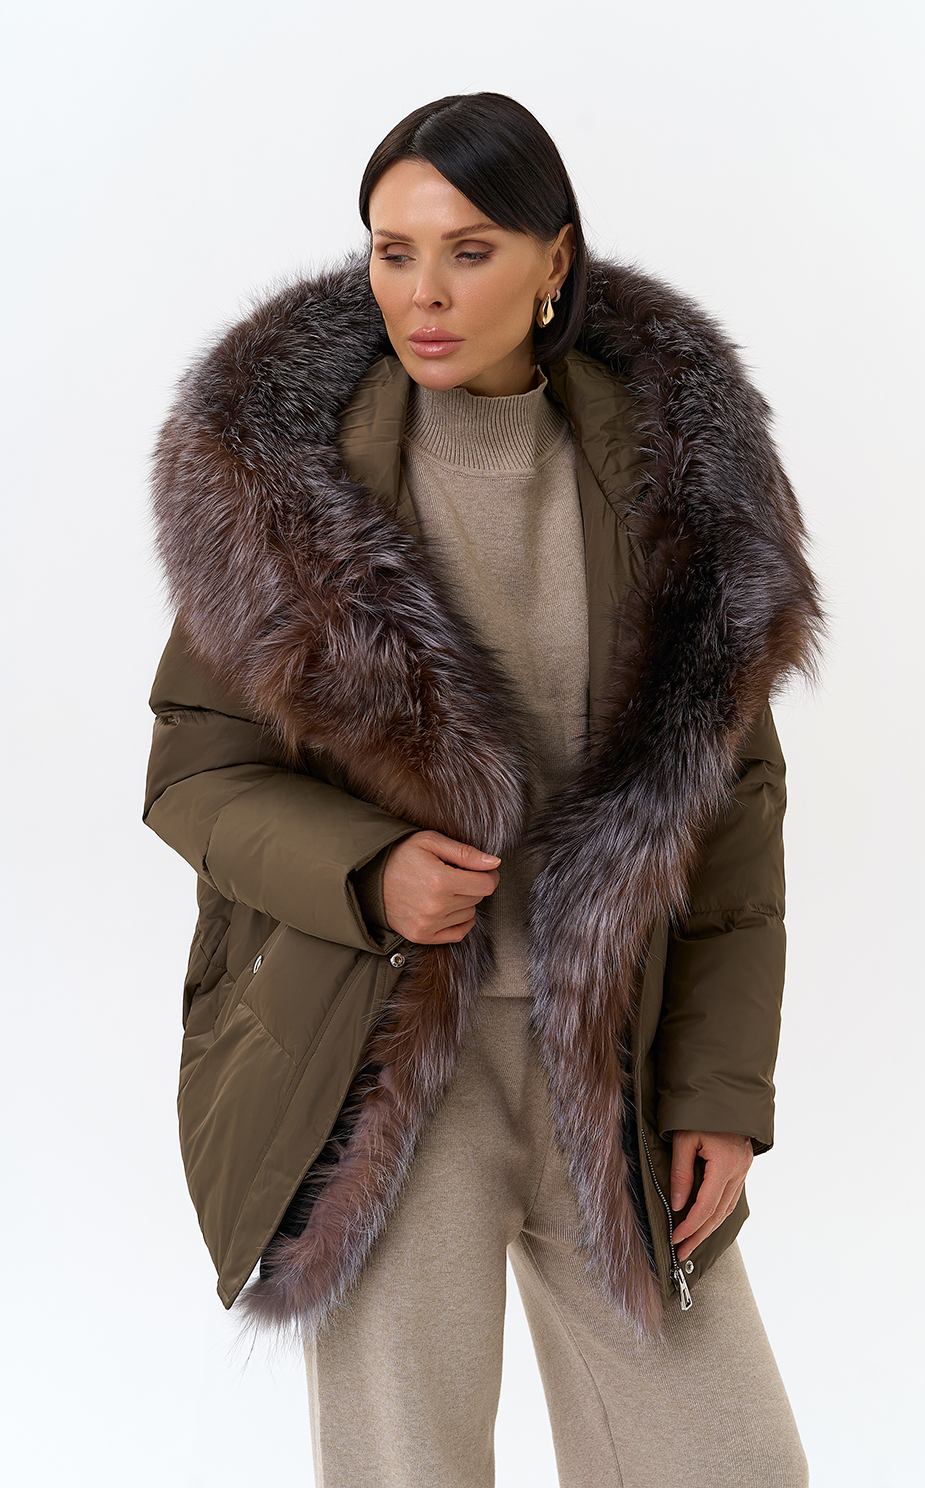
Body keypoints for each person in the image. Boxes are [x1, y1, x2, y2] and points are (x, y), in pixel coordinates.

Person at [144, 92, 822, 1487]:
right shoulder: (284, 485)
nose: (425, 294)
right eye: (393, 252)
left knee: (732, 1461)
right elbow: (196, 773)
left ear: (553, 259)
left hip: (615, 1059)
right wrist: (367, 869)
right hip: (383, 1057)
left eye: (469, 250)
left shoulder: (674, 481)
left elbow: (733, 804)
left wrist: (718, 1087)